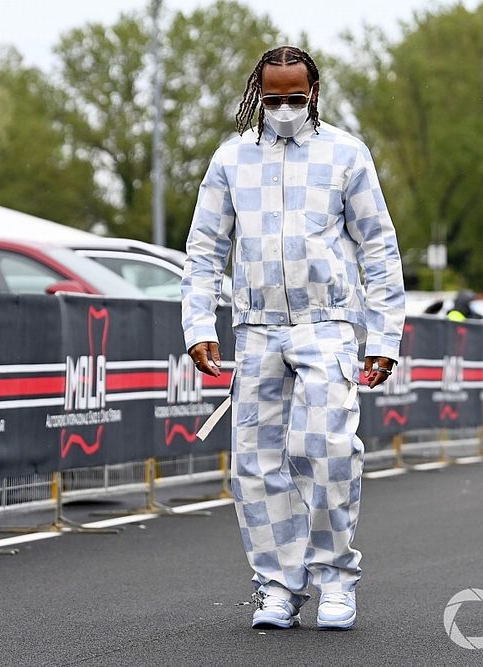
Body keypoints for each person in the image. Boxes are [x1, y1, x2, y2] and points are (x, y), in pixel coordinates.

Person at [181, 45, 405, 631]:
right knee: (255, 464)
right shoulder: (232, 159)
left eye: (295, 98)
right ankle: (277, 585)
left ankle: (335, 579)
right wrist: (198, 324)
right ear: (258, 93)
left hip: (325, 326)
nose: (284, 109)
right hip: (256, 330)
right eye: (274, 98)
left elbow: (378, 247)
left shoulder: (346, 154)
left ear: (314, 93)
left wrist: (383, 337)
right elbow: (205, 249)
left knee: (328, 450)